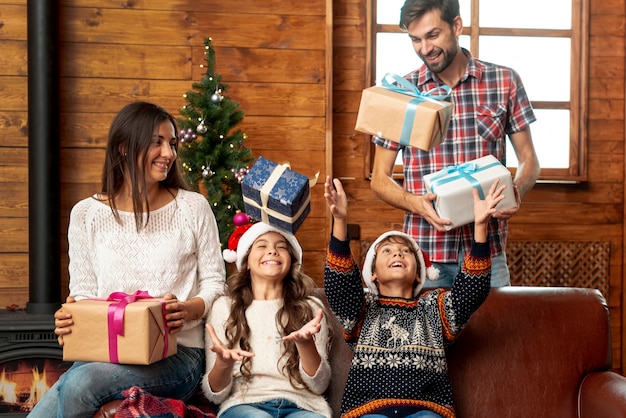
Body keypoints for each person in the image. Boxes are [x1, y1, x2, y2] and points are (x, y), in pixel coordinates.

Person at [29, 101, 226, 417]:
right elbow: (83, 293)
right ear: (123, 147)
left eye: (172, 144)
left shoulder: (192, 207)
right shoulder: (86, 215)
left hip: (177, 356)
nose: (169, 153)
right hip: (103, 353)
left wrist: (190, 308)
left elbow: (217, 283)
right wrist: (72, 315)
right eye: (157, 142)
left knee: (79, 384)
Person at [370, 0, 540, 288]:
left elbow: (529, 160)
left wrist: (516, 189)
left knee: (493, 333)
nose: (424, 49)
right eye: (415, 39)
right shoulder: (401, 94)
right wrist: (417, 204)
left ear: (457, 26)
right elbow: (379, 178)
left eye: (433, 35)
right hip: (425, 255)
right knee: (427, 335)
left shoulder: (504, 81)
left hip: (487, 252)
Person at [324, 175, 505, 418]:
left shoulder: (435, 307)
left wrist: (480, 228)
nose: (397, 254)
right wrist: (340, 220)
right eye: (387, 251)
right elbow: (340, 286)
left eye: (406, 251)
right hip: (368, 411)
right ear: (373, 274)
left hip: (426, 412)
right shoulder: (362, 309)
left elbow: (470, 292)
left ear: (420, 275)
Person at [202, 221, 332, 418]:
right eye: (262, 245)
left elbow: (319, 385)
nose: (272, 251)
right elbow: (215, 394)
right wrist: (223, 363)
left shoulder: (310, 308)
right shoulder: (224, 307)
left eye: (281, 247)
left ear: (291, 261)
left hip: (304, 407)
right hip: (244, 404)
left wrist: (306, 345)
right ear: (245, 262)